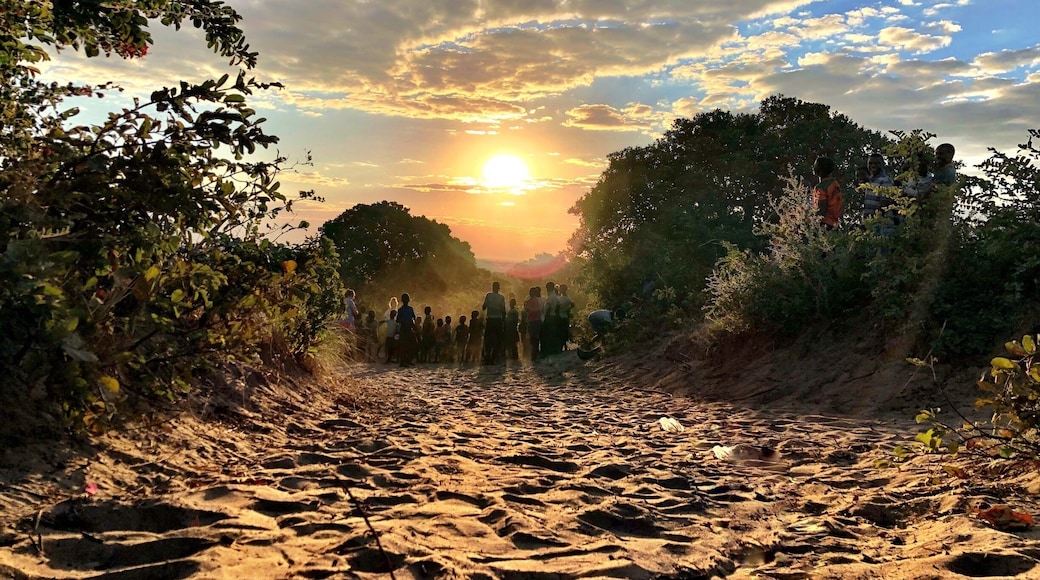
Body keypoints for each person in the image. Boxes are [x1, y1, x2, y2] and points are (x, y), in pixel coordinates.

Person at [861, 152, 895, 226]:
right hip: (869, 225)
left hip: (882, 225)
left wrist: (872, 221)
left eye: (876, 163)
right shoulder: (869, 181)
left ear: (883, 165)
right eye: (870, 163)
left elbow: (885, 205)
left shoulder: (886, 180)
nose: (873, 166)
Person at [811, 156, 843, 230]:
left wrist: (813, 223)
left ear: (820, 171)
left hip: (825, 224)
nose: (813, 167)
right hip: (835, 224)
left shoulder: (821, 187)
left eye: (815, 166)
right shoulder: (835, 184)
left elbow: (822, 208)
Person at [481, 281, 507, 364]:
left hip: (490, 319)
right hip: (498, 320)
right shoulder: (501, 297)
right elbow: (503, 310)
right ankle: (494, 358)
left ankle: (487, 357)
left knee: (488, 339)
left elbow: (483, 307)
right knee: (497, 340)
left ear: (492, 287)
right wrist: (504, 321)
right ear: (499, 288)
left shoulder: (488, 296)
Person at [396, 293, 417, 367]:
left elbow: (414, 318)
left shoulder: (410, 309)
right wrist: (405, 322)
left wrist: (412, 324)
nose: (406, 301)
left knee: (411, 345)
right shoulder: (401, 310)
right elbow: (397, 320)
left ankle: (408, 360)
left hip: (409, 328)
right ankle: (403, 361)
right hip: (404, 328)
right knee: (404, 345)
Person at [524, 286, 543, 360]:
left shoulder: (530, 301)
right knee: (536, 338)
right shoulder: (538, 300)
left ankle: (533, 355)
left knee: (532, 339)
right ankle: (535, 354)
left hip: (532, 321)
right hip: (537, 320)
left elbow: (527, 309)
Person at [557, 284, 574, 350]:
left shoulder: (560, 299)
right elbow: (573, 304)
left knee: (560, 331)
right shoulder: (568, 298)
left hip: (560, 317)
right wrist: (568, 309)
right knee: (565, 330)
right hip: (565, 316)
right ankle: (565, 346)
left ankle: (562, 346)